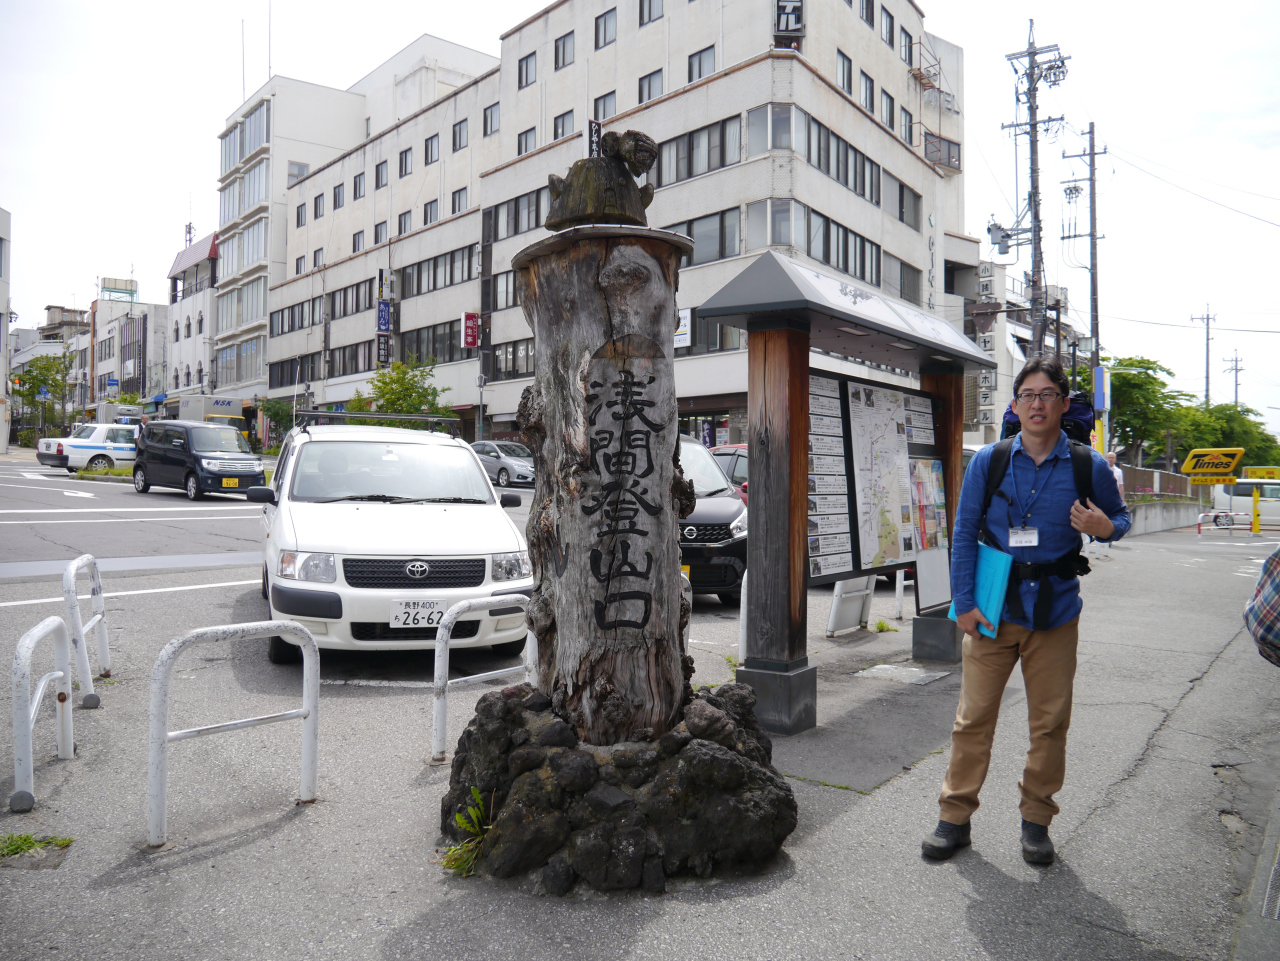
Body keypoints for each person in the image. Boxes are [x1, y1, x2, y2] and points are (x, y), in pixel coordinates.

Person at [923, 358, 1131, 865]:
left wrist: (1106, 527)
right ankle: (954, 817)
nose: (1037, 404)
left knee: (1050, 722)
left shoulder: (1088, 466)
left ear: (1062, 403)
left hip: (1056, 611)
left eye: (1047, 394)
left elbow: (1121, 519)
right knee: (972, 720)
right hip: (994, 609)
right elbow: (965, 533)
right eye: (1027, 395)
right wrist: (964, 604)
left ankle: (1036, 821)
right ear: (1015, 405)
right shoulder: (989, 461)